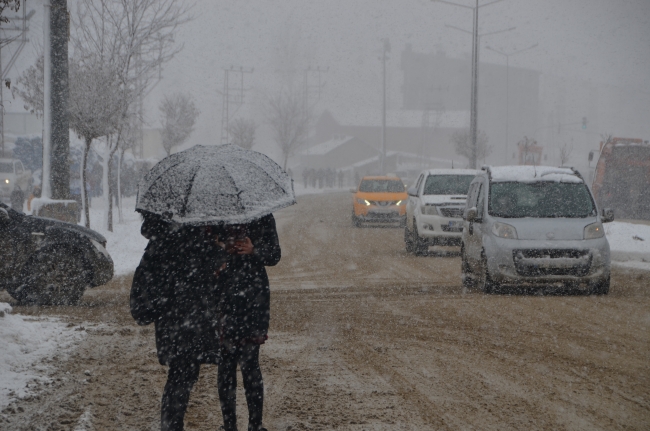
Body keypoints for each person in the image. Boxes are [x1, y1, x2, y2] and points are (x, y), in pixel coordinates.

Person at [133, 214, 227, 431]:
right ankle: (171, 426)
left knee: (180, 373)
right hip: (189, 313)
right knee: (183, 373)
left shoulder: (161, 232)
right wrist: (219, 250)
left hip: (171, 315)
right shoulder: (189, 230)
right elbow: (199, 264)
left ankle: (171, 425)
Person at [216, 214, 281, 431]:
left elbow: (274, 255)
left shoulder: (262, 216)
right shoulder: (216, 216)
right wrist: (222, 248)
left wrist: (254, 250)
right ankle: (229, 425)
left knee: (250, 362)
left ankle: (255, 424)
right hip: (224, 295)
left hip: (253, 297)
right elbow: (202, 251)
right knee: (225, 364)